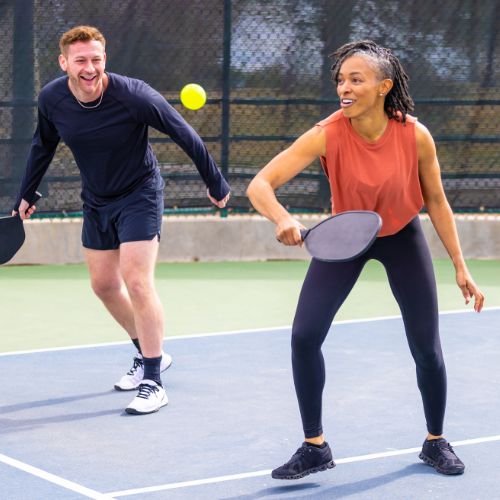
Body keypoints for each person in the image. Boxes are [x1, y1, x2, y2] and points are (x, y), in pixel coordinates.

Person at [247, 40, 484, 479]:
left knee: (426, 349)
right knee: (304, 337)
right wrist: (281, 217)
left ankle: (435, 441)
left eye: (356, 79)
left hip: (401, 236)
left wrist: (460, 264)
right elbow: (260, 184)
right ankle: (314, 446)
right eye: (340, 79)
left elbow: (436, 201)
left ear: (383, 86)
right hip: (347, 237)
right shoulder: (326, 132)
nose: (345, 87)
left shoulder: (415, 135)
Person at [13, 26, 230, 415]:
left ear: (104, 60)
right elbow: (42, 144)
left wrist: (215, 181)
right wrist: (27, 193)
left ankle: (153, 382)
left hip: (140, 193)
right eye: (81, 60)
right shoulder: (53, 98)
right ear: (64, 63)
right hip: (96, 199)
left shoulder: (134, 95)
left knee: (136, 279)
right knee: (103, 285)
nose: (90, 68)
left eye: (96, 59)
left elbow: (184, 133)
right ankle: (150, 354)